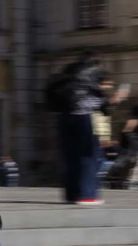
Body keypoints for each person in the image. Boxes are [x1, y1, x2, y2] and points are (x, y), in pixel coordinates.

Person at [45, 52, 118, 205]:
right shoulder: (93, 72)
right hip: (84, 116)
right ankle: (87, 195)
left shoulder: (66, 72)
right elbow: (101, 101)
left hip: (64, 117)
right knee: (88, 156)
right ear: (96, 64)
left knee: (70, 157)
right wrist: (113, 101)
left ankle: (71, 195)